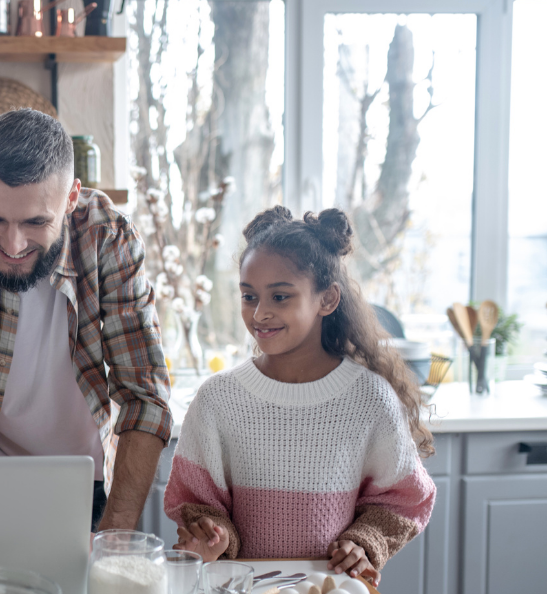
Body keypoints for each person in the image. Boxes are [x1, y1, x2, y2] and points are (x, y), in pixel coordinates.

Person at [164, 206, 435, 585]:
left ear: (327, 300)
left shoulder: (370, 399)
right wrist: (213, 533)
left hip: (330, 588)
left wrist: (364, 541)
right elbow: (196, 500)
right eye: (248, 296)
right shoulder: (217, 399)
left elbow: (405, 498)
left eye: (280, 297)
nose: (259, 314)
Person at [0, 108, 173, 533]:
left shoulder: (109, 237)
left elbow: (144, 395)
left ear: (71, 199)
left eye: (35, 222)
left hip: (86, 483)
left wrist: (114, 534)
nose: (12, 244)